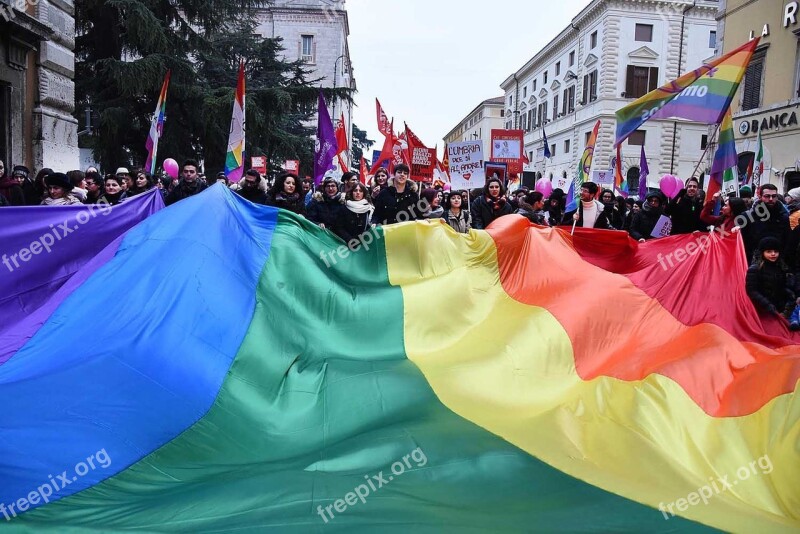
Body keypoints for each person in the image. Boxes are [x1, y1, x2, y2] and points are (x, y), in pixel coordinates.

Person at [746, 237, 799, 329]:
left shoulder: (781, 267)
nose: (773, 254)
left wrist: (790, 295)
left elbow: (781, 287)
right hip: (761, 310)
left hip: (777, 310)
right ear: (762, 252)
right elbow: (751, 290)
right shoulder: (755, 269)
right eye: (769, 251)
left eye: (776, 251)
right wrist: (768, 305)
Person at [743, 183, 790, 262]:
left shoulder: (784, 216)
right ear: (760, 197)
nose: (771, 199)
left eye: (774, 196)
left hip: (777, 260)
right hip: (754, 259)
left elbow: (787, 240)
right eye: (767, 196)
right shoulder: (749, 216)